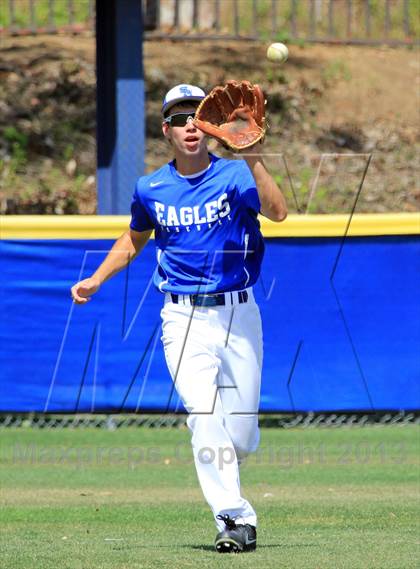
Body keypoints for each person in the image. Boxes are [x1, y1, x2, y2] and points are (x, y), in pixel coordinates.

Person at [71, 83, 287, 553]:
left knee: (242, 437)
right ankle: (234, 519)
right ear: (165, 131)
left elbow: (279, 212)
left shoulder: (234, 176)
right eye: (178, 119)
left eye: (197, 116)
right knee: (202, 413)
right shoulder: (150, 188)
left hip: (239, 314)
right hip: (182, 318)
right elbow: (133, 239)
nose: (189, 125)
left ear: (209, 127)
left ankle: (233, 477)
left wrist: (253, 153)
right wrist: (96, 279)